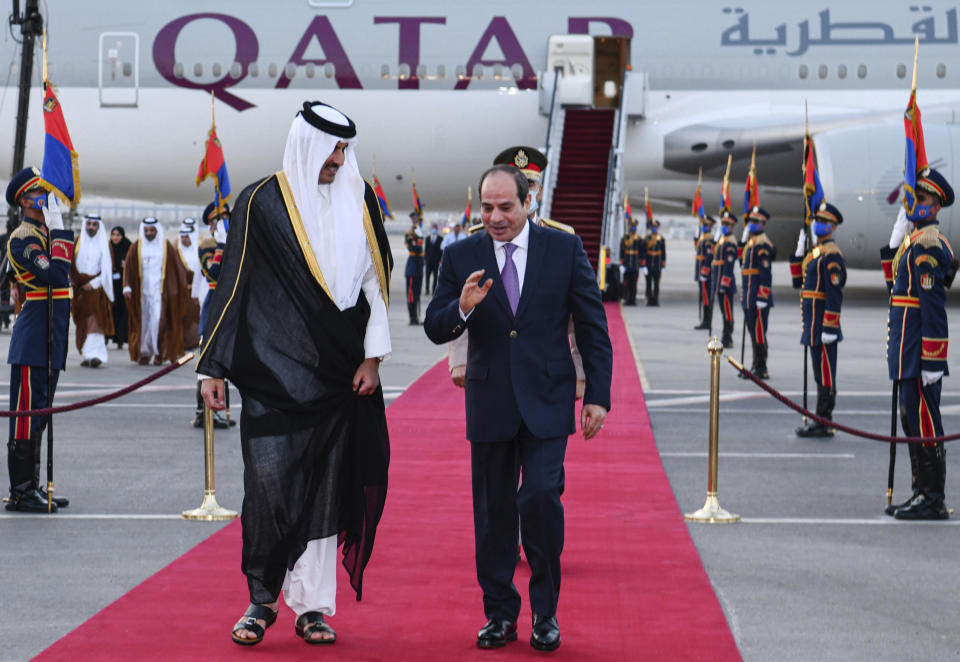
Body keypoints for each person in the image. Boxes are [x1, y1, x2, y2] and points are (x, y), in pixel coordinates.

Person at [197, 101, 392, 646]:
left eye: (344, 149)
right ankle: (261, 600)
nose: (338, 158)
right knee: (269, 485)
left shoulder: (361, 200)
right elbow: (232, 285)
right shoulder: (262, 202)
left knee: (330, 487)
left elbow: (376, 288)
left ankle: (312, 607)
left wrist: (372, 357)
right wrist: (211, 366)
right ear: (306, 143)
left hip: (342, 375)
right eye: (331, 148)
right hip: (273, 374)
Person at [424, 164, 612, 652]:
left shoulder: (563, 249)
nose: (496, 217)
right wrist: (462, 308)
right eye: (487, 207)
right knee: (494, 513)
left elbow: (593, 326)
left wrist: (597, 396)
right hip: (489, 401)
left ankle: (545, 613)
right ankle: (500, 613)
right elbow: (434, 325)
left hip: (548, 400)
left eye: (506, 207)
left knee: (541, 498)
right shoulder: (460, 253)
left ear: (528, 203)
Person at [881, 169, 956, 520]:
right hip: (906, 349)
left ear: (936, 205)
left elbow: (933, 310)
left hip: (918, 352)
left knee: (925, 423)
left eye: (921, 199)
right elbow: (892, 281)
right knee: (912, 420)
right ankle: (920, 490)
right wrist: (898, 230)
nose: (915, 203)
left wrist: (931, 360)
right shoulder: (914, 243)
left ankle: (932, 496)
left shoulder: (928, 247)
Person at [4, 167, 73, 512]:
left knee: (40, 414)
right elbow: (55, 274)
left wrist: (56, 229)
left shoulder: (44, 235)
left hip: (51, 336)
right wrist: (59, 228)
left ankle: (34, 484)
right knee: (26, 415)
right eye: (41, 194)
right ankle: (21, 489)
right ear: (26, 200)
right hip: (34, 339)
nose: (47, 198)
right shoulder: (24, 238)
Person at [790, 203, 846, 437]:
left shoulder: (831, 254)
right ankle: (820, 418)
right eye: (817, 220)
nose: (817, 224)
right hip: (813, 325)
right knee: (818, 372)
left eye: (822, 221)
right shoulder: (816, 253)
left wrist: (830, 326)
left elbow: (835, 292)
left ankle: (825, 420)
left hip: (823, 325)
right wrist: (798, 250)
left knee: (825, 373)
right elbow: (797, 282)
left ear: (831, 226)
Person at [123, 217, 190, 365]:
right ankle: (145, 352)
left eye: (152, 230)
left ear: (157, 230)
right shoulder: (136, 247)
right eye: (146, 230)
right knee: (144, 322)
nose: (149, 233)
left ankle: (159, 352)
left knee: (158, 321)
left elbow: (177, 268)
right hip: (142, 294)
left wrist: (180, 287)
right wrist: (127, 285)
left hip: (160, 294)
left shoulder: (166, 247)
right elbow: (129, 267)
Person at [70, 214, 115, 367]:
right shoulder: (77, 242)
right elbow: (70, 265)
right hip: (80, 291)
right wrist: (74, 281)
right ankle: (87, 355)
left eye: (94, 225)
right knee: (82, 323)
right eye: (88, 224)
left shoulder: (104, 244)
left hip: (96, 291)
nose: (91, 227)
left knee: (96, 322)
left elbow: (107, 270)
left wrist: (94, 283)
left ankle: (97, 355)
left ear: (98, 227)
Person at [740, 207, 775, 379]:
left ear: (763, 224)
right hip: (749, 295)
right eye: (750, 221)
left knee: (759, 333)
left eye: (755, 222)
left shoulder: (763, 245)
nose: (751, 224)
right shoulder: (752, 243)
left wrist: (763, 295)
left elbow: (765, 274)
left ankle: (761, 367)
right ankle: (755, 364)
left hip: (758, 296)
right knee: (753, 333)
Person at [711, 211, 739, 349]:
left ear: (733, 226)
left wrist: (724, 283)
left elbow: (729, 265)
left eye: (727, 224)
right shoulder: (723, 241)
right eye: (723, 223)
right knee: (724, 311)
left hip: (725, 284)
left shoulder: (730, 243)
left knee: (727, 311)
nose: (724, 226)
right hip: (718, 282)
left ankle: (728, 336)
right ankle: (725, 334)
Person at [693, 215, 716, 331]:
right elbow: (696, 246)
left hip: (705, 274)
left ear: (711, 226)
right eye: (704, 225)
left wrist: (704, 272)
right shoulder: (703, 238)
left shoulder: (709, 240)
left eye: (707, 225)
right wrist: (697, 231)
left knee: (706, 298)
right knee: (703, 297)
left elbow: (709, 257)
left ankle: (707, 321)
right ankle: (705, 320)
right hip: (700, 272)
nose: (705, 227)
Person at [109, 226, 131, 349]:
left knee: (123, 312)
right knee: (113, 311)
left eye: (118, 235)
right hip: (112, 285)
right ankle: (113, 337)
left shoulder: (128, 247)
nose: (115, 237)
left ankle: (122, 338)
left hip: (123, 285)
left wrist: (127, 265)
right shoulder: (108, 247)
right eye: (113, 235)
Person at [404, 211, 424, 324]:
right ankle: (412, 317)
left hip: (419, 268)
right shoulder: (409, 234)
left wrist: (419, 236)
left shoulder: (419, 233)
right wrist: (418, 237)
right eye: (415, 219)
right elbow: (416, 249)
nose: (417, 221)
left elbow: (419, 248)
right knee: (411, 295)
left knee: (417, 294)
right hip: (412, 268)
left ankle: (417, 316)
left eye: (418, 219)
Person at [642, 218, 666, 306]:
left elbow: (663, 252)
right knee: (648, 283)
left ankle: (656, 299)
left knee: (656, 284)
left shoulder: (661, 238)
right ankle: (648, 299)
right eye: (652, 227)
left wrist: (663, 264)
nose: (654, 228)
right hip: (648, 263)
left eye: (655, 227)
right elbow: (644, 251)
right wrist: (643, 264)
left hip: (657, 263)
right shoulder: (647, 238)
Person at [619, 220, 641, 305]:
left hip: (635, 264)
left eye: (634, 226)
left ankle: (633, 299)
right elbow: (622, 250)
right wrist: (621, 261)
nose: (633, 228)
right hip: (626, 264)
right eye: (632, 226)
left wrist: (642, 262)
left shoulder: (638, 238)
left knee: (634, 284)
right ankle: (627, 299)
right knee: (626, 283)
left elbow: (642, 251)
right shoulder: (625, 238)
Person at [424, 223, 443, 295]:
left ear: (437, 229)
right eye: (433, 228)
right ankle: (427, 289)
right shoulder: (428, 238)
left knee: (435, 276)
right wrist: (425, 259)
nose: (434, 229)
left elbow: (441, 250)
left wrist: (441, 259)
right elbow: (426, 249)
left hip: (436, 260)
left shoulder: (440, 238)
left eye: (435, 228)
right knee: (427, 276)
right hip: (428, 260)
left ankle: (433, 290)